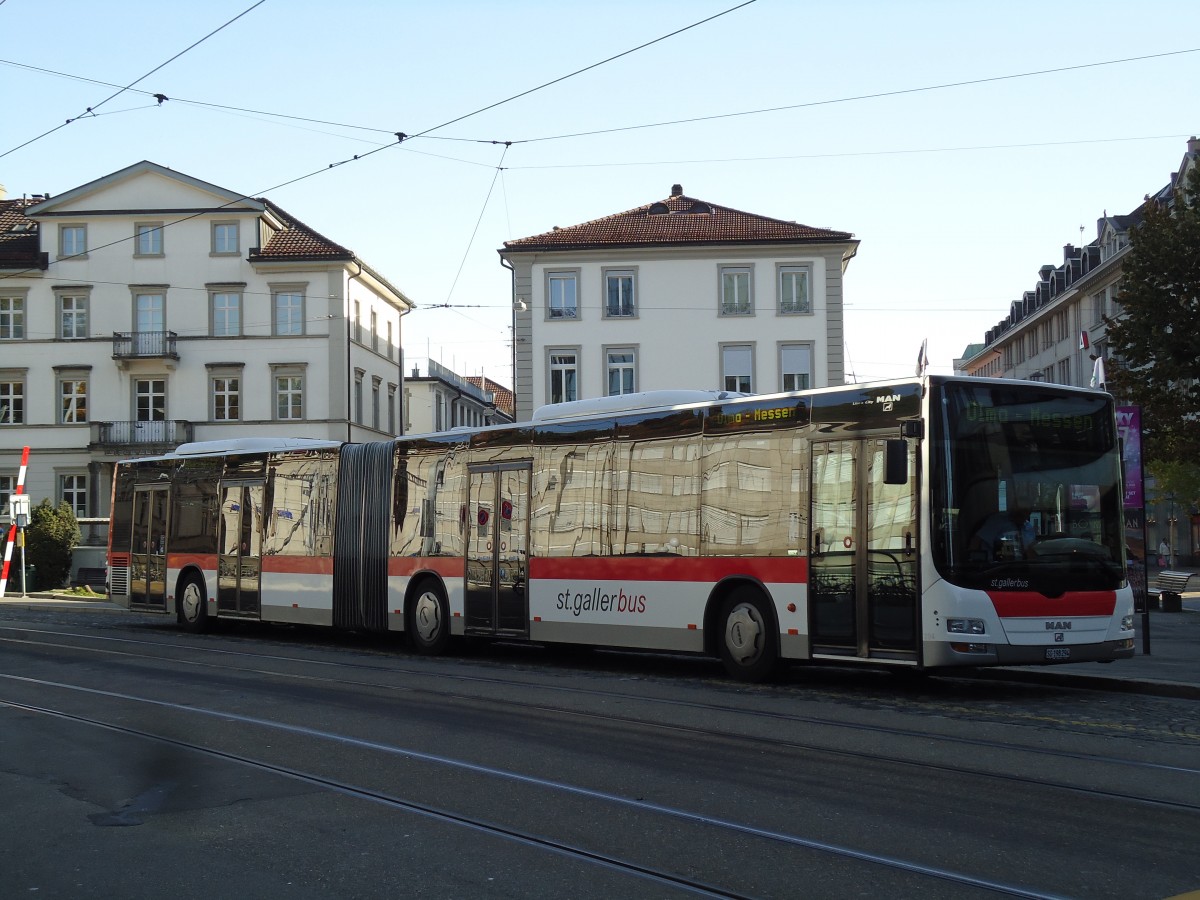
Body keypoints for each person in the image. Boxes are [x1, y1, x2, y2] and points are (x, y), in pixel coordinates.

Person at [970, 508, 1034, 561]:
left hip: (1020, 569)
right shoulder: (998, 520)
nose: (1023, 512)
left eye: (1026, 510)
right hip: (995, 569)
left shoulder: (1029, 528)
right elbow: (975, 542)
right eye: (1020, 508)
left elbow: (1030, 554)